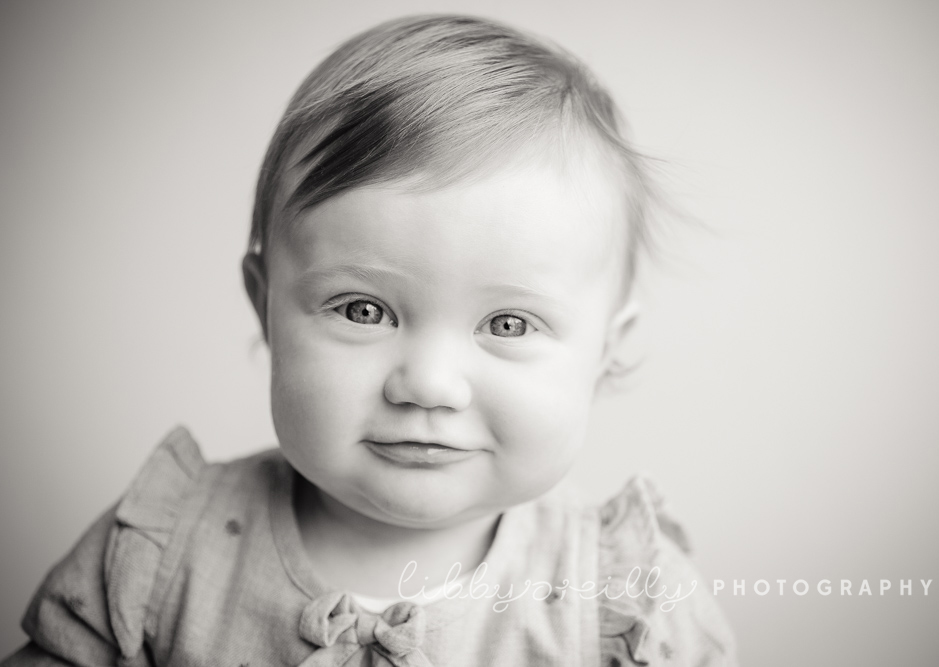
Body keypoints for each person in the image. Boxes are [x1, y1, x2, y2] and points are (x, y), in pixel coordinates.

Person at [3, 15, 737, 667]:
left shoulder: (625, 600)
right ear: (264, 305)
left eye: (507, 324)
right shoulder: (158, 557)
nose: (427, 383)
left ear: (605, 350)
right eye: (362, 309)